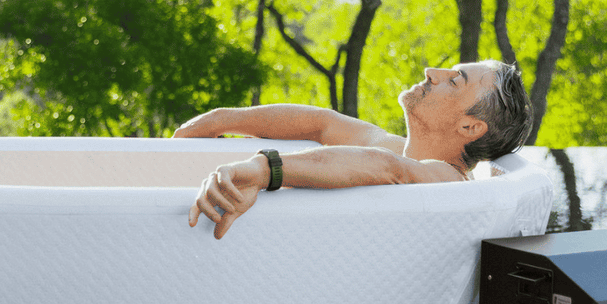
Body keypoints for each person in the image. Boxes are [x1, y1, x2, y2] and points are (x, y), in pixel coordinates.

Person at [175, 59, 533, 238]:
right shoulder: (397, 148)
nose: (431, 72)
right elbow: (321, 124)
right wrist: (220, 119)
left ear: (470, 127)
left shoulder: (447, 180)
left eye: (453, 80)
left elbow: (387, 168)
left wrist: (266, 169)